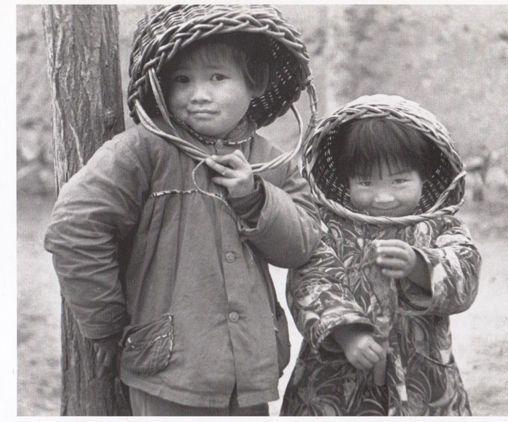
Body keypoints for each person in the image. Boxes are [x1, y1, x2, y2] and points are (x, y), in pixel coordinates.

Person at [44, 5, 320, 416]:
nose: (198, 94)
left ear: (255, 82)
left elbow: (302, 242)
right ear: (161, 87)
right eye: (182, 80)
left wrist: (255, 196)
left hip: (248, 374)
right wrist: (107, 327)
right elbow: (74, 227)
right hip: (168, 371)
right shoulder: (143, 151)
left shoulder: (270, 162)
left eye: (217, 77)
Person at [280, 95, 481, 416]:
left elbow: (466, 274)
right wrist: (348, 334)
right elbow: (310, 283)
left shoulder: (443, 228)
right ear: (346, 181)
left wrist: (420, 265)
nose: (383, 196)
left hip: (424, 382)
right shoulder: (328, 229)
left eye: (400, 181)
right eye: (365, 182)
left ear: (424, 177)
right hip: (335, 384)